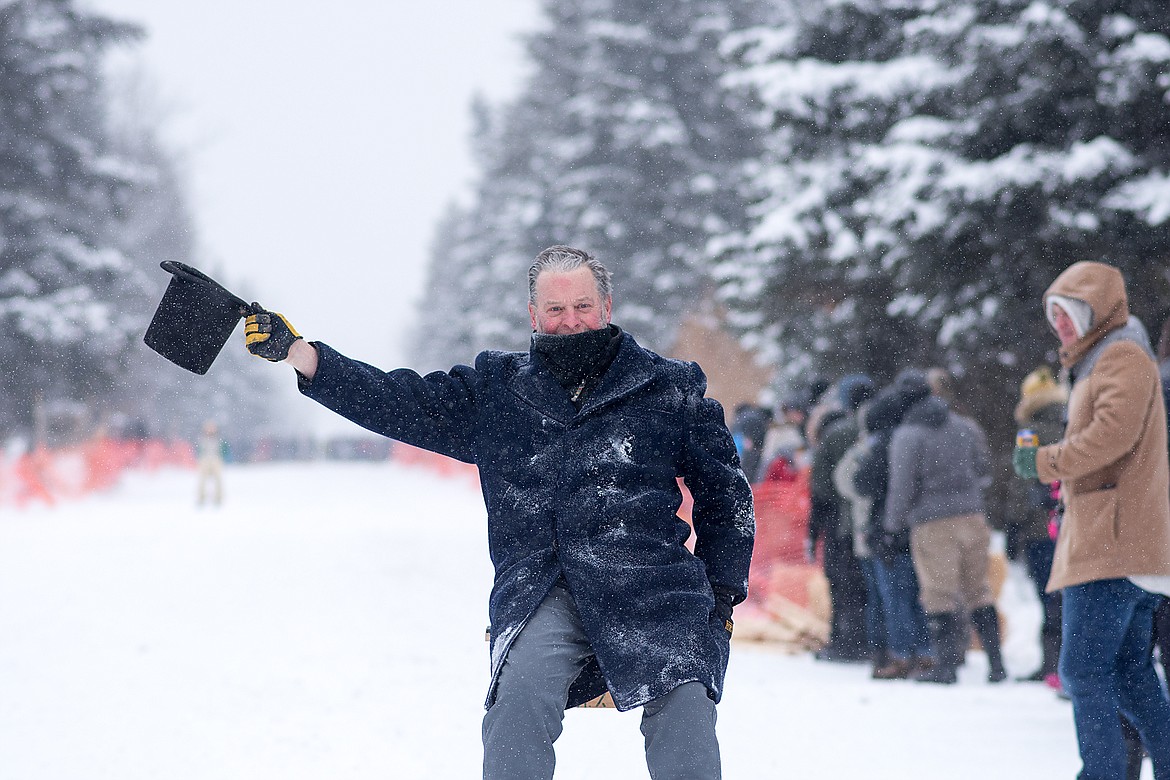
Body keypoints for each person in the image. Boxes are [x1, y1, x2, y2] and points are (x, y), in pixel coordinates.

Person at [241, 245, 755, 780]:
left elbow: (728, 499)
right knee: (517, 700)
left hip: (654, 590)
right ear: (534, 316)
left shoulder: (668, 388)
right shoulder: (498, 391)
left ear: (607, 306)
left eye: (582, 305)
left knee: (687, 702)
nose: (570, 321)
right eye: (555, 310)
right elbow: (401, 400)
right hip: (544, 588)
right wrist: (305, 356)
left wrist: (719, 602)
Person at [1013, 260, 1170, 780]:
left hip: (1112, 542)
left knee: (1083, 671)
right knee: (1128, 672)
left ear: (1097, 309)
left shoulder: (1121, 354)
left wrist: (1044, 462)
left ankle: (1101, 775)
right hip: (1122, 539)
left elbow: (1111, 437)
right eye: (1054, 314)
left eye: (1070, 312)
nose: (1060, 324)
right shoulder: (1106, 357)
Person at [885, 368, 1005, 685]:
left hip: (931, 523)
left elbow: (902, 487)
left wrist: (892, 526)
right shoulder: (965, 427)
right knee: (978, 589)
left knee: (939, 593)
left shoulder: (907, 435)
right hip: (973, 516)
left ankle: (946, 667)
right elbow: (983, 468)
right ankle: (997, 665)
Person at [853, 375, 933, 679]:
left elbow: (863, 482)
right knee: (920, 591)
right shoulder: (923, 433)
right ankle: (926, 651)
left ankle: (901, 655)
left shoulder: (885, 442)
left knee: (894, 594)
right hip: (920, 523)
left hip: (887, 525)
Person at [1004, 366, 1067, 685]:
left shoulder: (1029, 431)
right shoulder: (1074, 421)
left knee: (1049, 597)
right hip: (1072, 524)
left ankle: (1053, 664)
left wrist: (1013, 525)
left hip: (1040, 528)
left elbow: (1022, 480)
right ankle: (1069, 665)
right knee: (1070, 596)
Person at [809, 375, 875, 663]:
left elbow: (821, 485)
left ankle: (845, 642)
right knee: (870, 584)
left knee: (841, 582)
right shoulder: (882, 429)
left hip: (839, 521)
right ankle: (873, 643)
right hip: (876, 519)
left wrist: (816, 527)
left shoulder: (836, 433)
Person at [195, 419, 226, 507]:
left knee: (218, 479)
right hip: (205, 460)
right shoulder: (202, 438)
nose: (210, 430)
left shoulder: (219, 439)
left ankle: (218, 497)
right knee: (202, 479)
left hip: (216, 459)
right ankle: (201, 497)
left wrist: (222, 457)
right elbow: (199, 450)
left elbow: (224, 450)